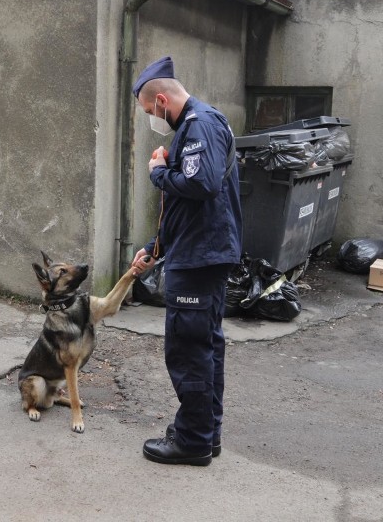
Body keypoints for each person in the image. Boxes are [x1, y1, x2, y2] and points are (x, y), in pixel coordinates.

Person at [130, 56, 242, 467]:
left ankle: (193, 441)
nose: (151, 120)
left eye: (148, 112)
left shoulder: (199, 125)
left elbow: (201, 184)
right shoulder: (203, 123)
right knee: (205, 346)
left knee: (189, 350)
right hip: (198, 251)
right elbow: (186, 207)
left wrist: (159, 172)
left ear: (161, 100)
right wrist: (155, 246)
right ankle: (203, 432)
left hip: (199, 259)